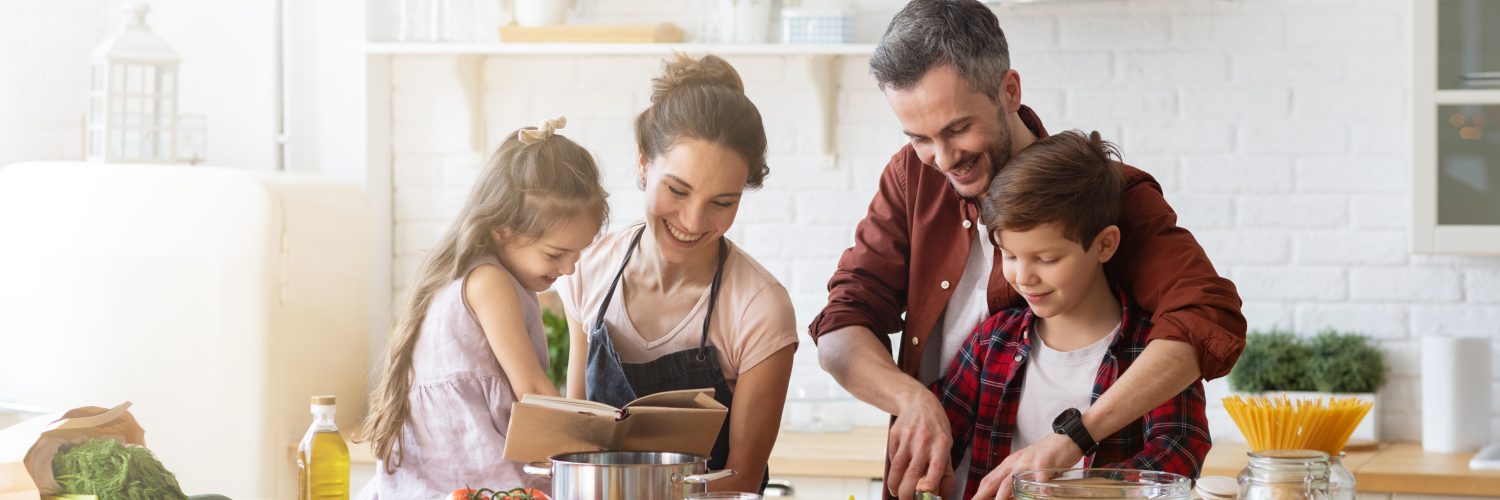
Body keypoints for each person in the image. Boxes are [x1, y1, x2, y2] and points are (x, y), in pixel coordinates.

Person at [808, 1, 1246, 499]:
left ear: (1009, 90)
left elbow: (1206, 316)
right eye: (919, 138)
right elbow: (842, 322)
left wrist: (1073, 442)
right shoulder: (913, 175)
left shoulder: (1102, 195)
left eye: (956, 129)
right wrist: (911, 400)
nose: (944, 159)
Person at [559, 53, 798, 494]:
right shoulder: (587, 269)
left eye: (722, 202)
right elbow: (578, 443)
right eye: (678, 189)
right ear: (644, 163)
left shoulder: (759, 307)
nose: (692, 221)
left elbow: (741, 479)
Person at [935, 130, 1211, 499]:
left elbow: (1177, 455)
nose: (1023, 276)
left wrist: (1075, 491)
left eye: (1047, 259)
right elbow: (940, 438)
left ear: (1105, 244)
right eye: (1010, 255)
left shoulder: (1154, 354)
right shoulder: (991, 342)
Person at [353, 117, 608, 498]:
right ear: (501, 229)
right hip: (473, 481)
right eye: (556, 254)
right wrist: (597, 444)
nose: (570, 268)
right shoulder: (491, 283)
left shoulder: (475, 276)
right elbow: (533, 391)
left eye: (579, 253)